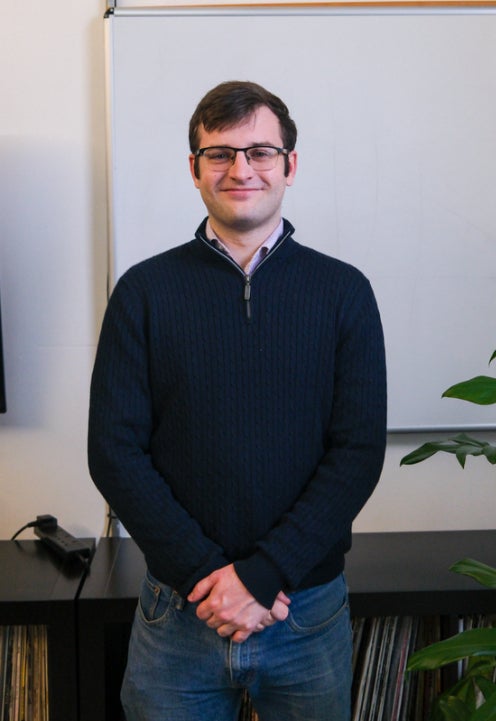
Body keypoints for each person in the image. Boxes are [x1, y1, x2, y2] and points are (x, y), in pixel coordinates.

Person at [88, 80, 387, 721]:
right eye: (220, 153)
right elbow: (114, 452)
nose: (241, 169)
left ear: (290, 165)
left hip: (305, 611)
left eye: (260, 152)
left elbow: (357, 452)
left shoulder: (344, 293)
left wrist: (262, 576)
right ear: (194, 168)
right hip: (180, 611)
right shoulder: (143, 292)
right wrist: (208, 577)